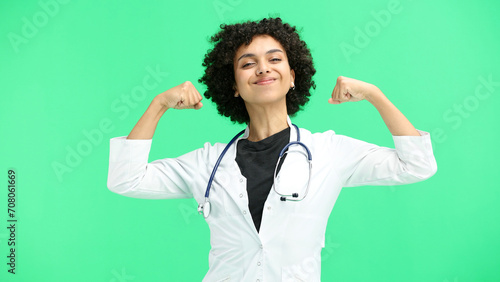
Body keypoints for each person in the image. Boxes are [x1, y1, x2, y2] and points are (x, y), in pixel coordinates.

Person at [107, 17, 437, 281]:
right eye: (247, 63)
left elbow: (416, 165)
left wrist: (376, 95)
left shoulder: (329, 151)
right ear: (233, 86)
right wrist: (158, 104)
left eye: (275, 59)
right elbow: (126, 180)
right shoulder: (207, 162)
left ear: (293, 76)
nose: (263, 68)